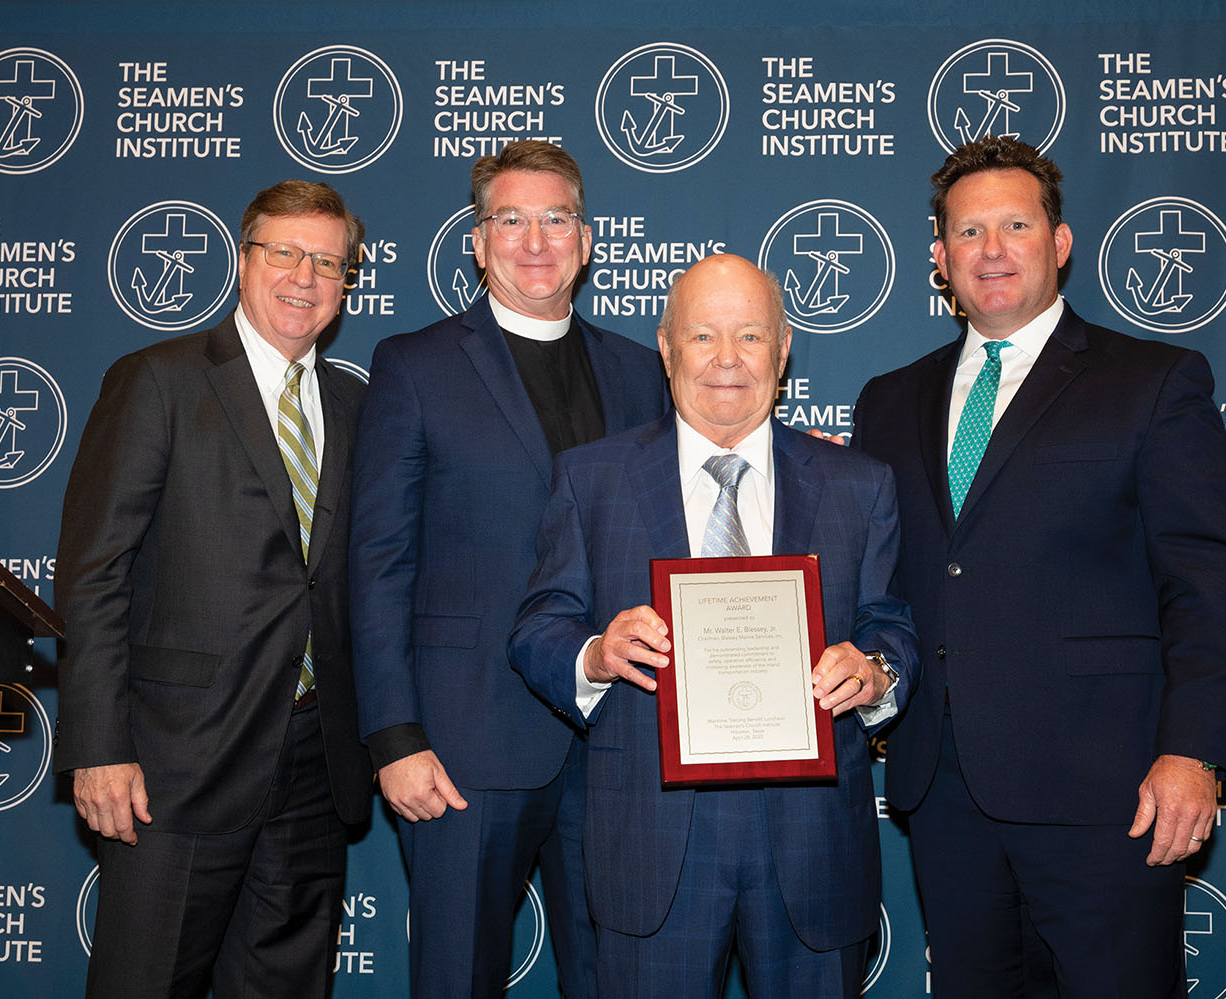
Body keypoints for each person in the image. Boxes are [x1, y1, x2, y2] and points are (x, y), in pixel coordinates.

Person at [853, 135, 1226, 998]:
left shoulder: (1152, 381)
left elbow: (1206, 584)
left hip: (1107, 790)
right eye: (968, 232)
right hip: (945, 787)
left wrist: (1195, 753)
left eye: (1015, 226)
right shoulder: (888, 401)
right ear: (938, 258)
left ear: (1059, 244)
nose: (992, 251)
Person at [508, 253, 919, 997]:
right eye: (702, 336)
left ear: (784, 348)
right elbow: (539, 625)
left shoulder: (859, 484)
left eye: (751, 337)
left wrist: (876, 670)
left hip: (813, 845)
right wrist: (596, 653)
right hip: (653, 845)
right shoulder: (591, 477)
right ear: (666, 348)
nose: (727, 360)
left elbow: (891, 624)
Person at [348, 140, 667, 998]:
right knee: (458, 978)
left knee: (619, 978)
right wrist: (395, 736)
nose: (536, 239)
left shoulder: (641, 373)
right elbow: (377, 562)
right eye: (511, 220)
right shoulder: (414, 366)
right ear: (479, 242)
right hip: (461, 746)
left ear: (587, 237)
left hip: (618, 740)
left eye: (556, 218)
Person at [54, 180, 372, 998]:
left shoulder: (358, 402)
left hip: (312, 764)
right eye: (285, 253)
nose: (305, 276)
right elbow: (94, 574)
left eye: (328, 262)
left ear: (346, 284)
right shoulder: (159, 380)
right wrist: (98, 745)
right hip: (174, 765)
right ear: (242, 260)